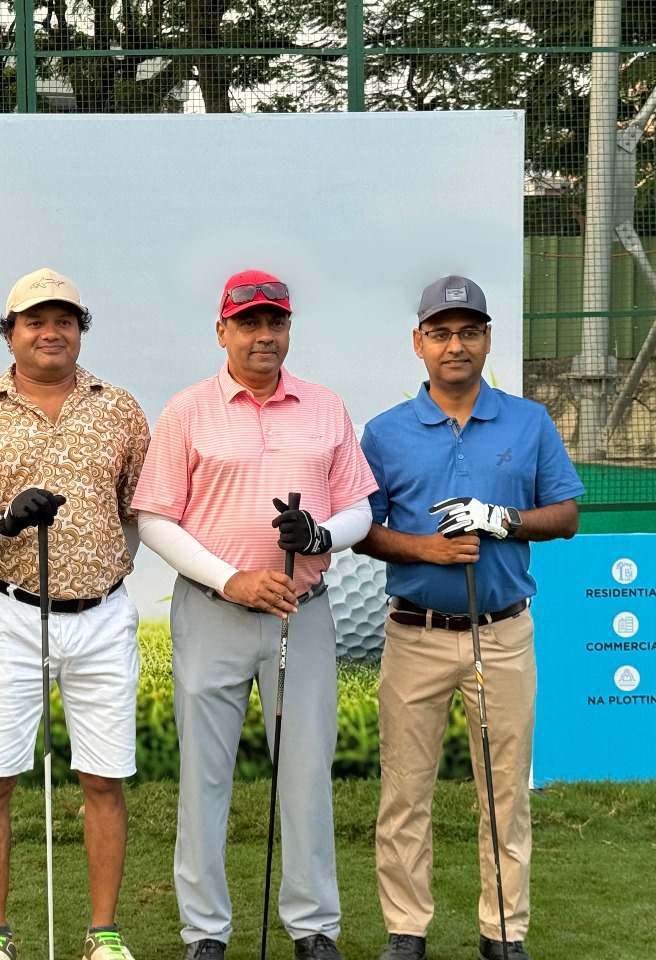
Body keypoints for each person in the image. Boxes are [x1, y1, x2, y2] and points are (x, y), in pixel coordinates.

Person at [133, 269, 377, 960]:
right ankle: (205, 932)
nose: (263, 335)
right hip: (213, 610)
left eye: (275, 322)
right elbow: (154, 518)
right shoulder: (188, 410)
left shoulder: (325, 407)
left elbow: (359, 507)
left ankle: (313, 926)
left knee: (305, 772)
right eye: (248, 323)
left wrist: (321, 536)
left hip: (304, 612)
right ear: (223, 331)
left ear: (288, 329)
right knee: (203, 775)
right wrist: (231, 579)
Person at [0, 267, 150, 960]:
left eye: (64, 320)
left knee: (103, 779)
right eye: (35, 321)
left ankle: (104, 934)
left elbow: (137, 511)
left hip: (103, 617)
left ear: (80, 330)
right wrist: (3, 522)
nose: (51, 332)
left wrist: (109, 567)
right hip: (12, 616)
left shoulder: (120, 409)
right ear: (10, 332)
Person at [354, 275, 583, 960]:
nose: (455, 345)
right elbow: (365, 532)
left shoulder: (528, 421)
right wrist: (424, 547)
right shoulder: (385, 432)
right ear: (419, 343)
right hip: (415, 633)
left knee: (505, 791)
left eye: (469, 332)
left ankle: (503, 932)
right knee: (405, 791)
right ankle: (406, 930)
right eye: (441, 333)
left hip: (504, 633)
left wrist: (502, 519)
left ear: (487, 339)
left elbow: (566, 515)